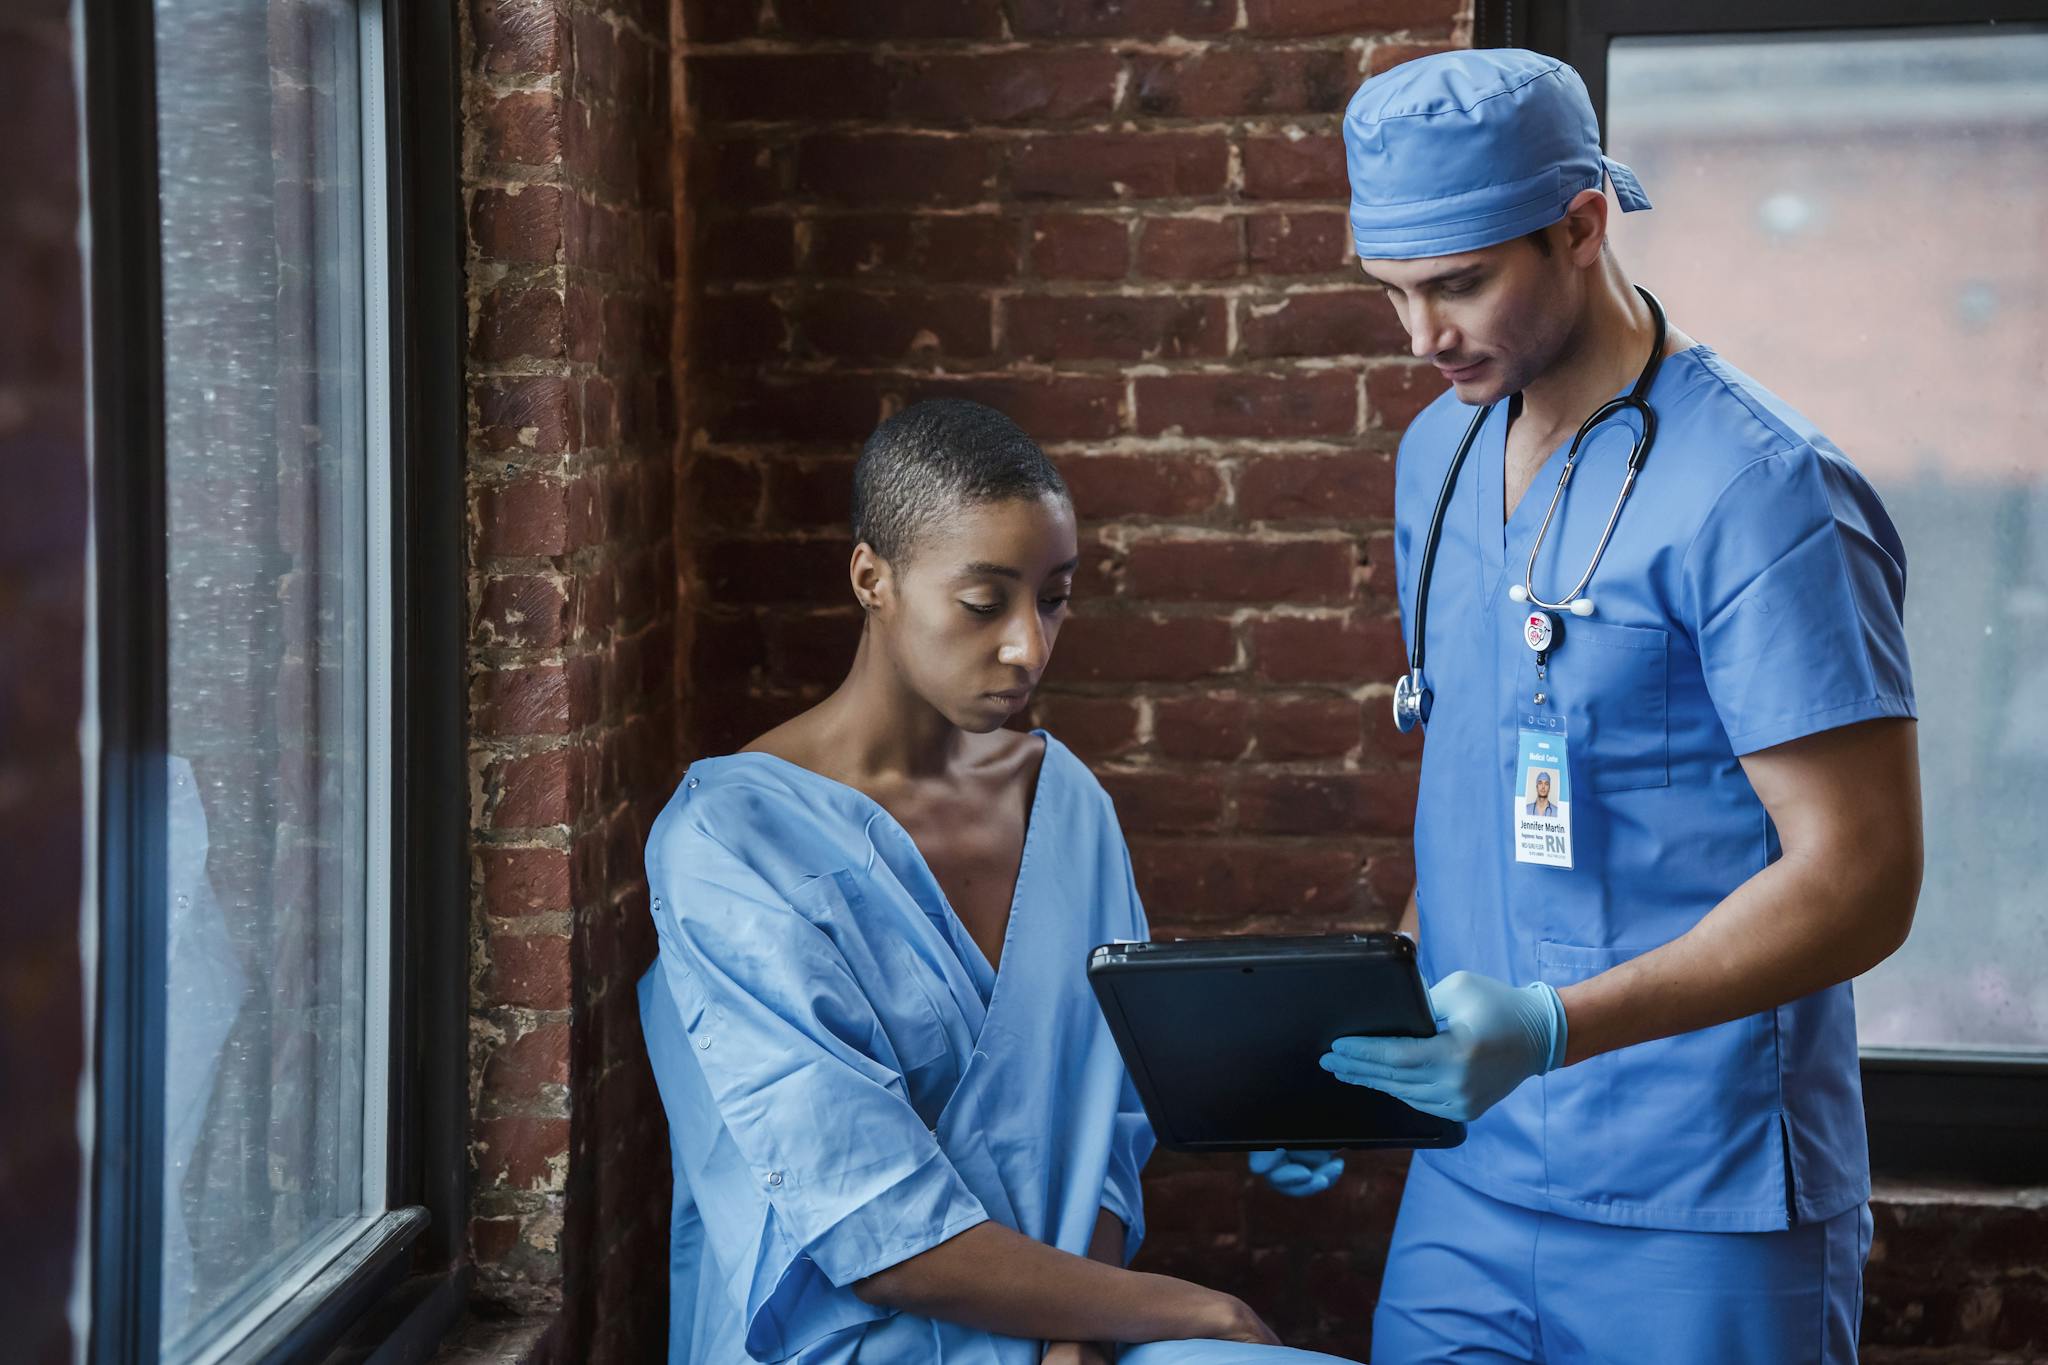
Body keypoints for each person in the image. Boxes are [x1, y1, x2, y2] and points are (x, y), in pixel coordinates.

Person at [1254, 49, 1922, 1364]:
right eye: (1391, 291)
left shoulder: (1759, 488)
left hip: (1703, 1194)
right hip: (1473, 1182)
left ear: (1581, 225)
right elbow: (1476, 799)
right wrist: (1370, 1060)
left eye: (1458, 284)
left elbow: (1866, 877)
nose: (1420, 337)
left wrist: (1558, 1029)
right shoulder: (1438, 457)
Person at [640, 400, 1353, 1364]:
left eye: (1054, 597)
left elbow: (1109, 1121)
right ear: (872, 579)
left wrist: (1082, 1336)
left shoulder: (1069, 804)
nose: (1030, 646)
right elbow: (869, 1224)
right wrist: (1187, 1307)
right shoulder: (730, 842)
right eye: (985, 603)